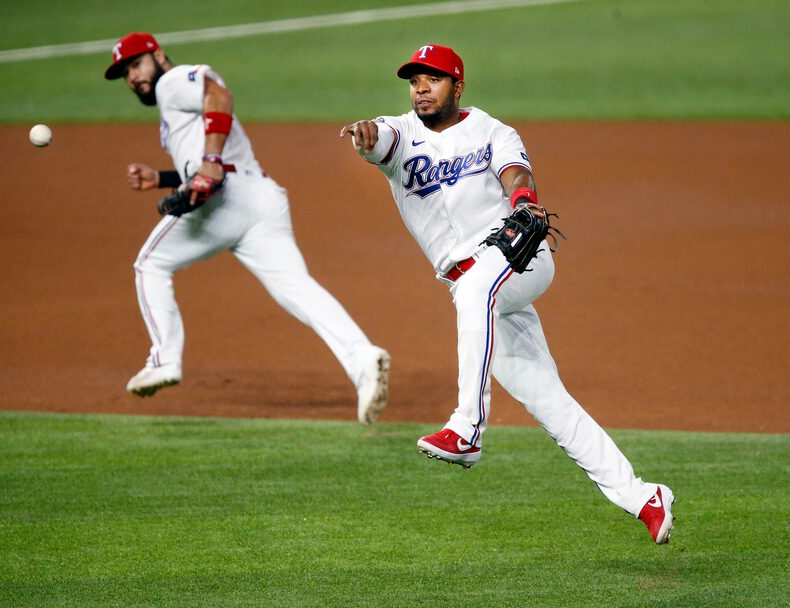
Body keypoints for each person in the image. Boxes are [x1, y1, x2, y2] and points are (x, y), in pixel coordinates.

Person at [340, 44, 676, 542]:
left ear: (458, 86)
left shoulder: (494, 132)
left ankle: (467, 428)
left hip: (519, 258)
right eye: (414, 81)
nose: (421, 88)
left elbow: (516, 174)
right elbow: (378, 138)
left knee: (476, 287)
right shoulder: (401, 134)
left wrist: (522, 200)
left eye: (432, 79)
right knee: (548, 400)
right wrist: (364, 136)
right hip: (478, 292)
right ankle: (643, 496)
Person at [104, 32, 389, 424]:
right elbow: (205, 166)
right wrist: (163, 177)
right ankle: (363, 359)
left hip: (223, 200)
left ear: (157, 55)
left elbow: (218, 95)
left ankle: (163, 359)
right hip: (261, 200)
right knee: (298, 288)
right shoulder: (174, 105)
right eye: (125, 73)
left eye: (135, 65)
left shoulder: (173, 81)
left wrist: (207, 162)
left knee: (150, 265)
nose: (132, 77)